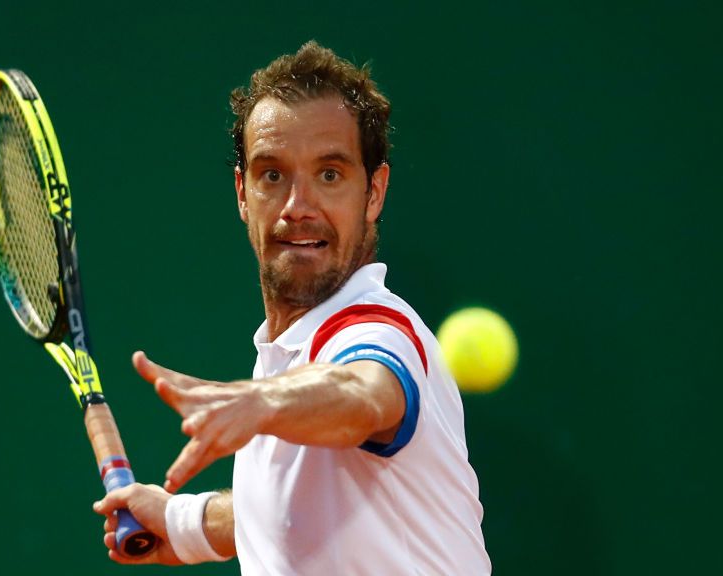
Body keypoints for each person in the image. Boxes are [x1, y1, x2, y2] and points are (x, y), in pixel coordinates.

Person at [93, 41, 491, 575]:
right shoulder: (287, 353)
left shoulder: (377, 331)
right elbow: (295, 506)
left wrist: (264, 403)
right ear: (242, 193)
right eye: (272, 175)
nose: (297, 208)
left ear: (374, 192)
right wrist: (184, 524)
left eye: (329, 175)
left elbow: (362, 394)